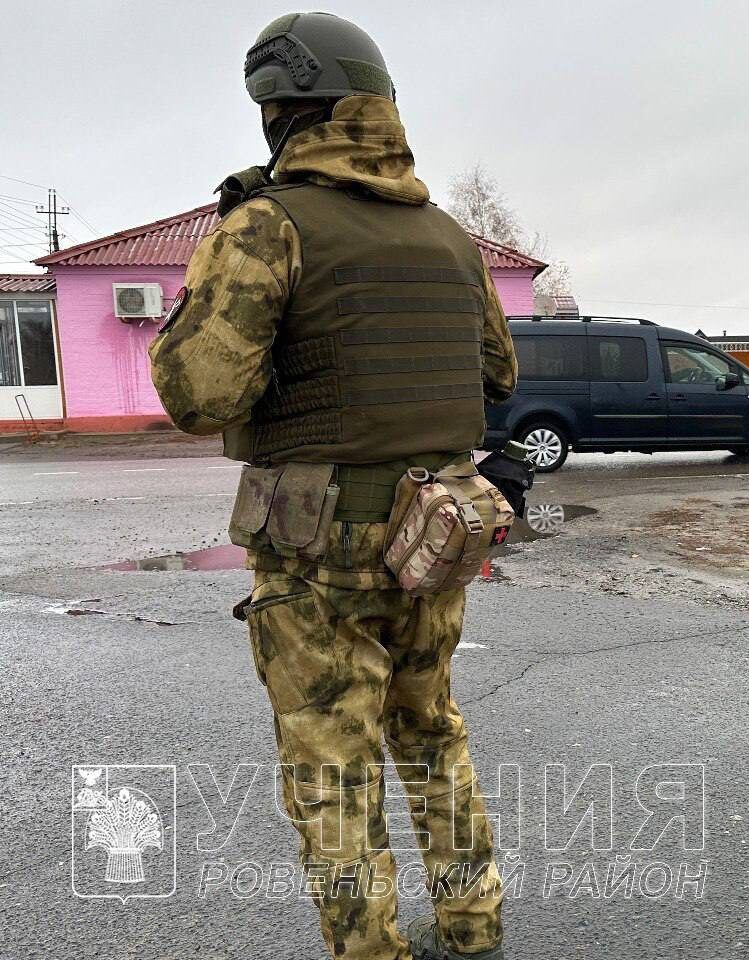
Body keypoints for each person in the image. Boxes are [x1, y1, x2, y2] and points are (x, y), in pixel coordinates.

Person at [149, 13, 515, 959]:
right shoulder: (450, 237)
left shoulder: (269, 224)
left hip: (321, 547)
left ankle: (369, 950)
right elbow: (497, 376)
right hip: (437, 529)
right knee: (433, 734)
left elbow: (200, 393)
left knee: (332, 768)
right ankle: (474, 925)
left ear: (284, 110)